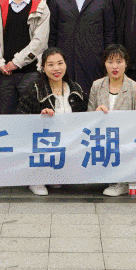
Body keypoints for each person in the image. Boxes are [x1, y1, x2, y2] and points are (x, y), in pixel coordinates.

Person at [16, 47, 87, 195]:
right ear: (43, 67)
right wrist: (39, 118)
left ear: (65, 64)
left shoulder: (76, 89)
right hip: (42, 141)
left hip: (68, 141)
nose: (56, 68)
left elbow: (85, 119)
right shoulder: (34, 89)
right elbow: (21, 119)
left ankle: (56, 172)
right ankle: (37, 178)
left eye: (60, 63)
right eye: (50, 64)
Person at [0, 0, 50, 116]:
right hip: (6, 73)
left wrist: (16, 63)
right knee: (5, 117)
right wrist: (0, 63)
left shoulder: (41, 5)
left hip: (31, 71)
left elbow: (40, 42)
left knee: (30, 117)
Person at [49, 0, 116, 93]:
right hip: (64, 63)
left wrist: (107, 61)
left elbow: (109, 33)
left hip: (94, 63)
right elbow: (52, 32)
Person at [88, 45, 136, 197]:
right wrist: (96, 114)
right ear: (104, 64)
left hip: (127, 137)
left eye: (119, 62)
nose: (115, 66)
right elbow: (88, 117)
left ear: (126, 64)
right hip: (102, 135)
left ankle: (123, 182)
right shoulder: (97, 85)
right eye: (110, 62)